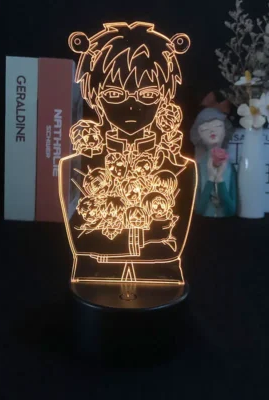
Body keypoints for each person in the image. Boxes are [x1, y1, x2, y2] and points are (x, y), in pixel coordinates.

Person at [58, 21, 197, 284]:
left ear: (164, 98)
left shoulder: (181, 166)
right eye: (114, 94)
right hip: (93, 277)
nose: (131, 106)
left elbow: (172, 247)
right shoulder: (75, 164)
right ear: (95, 98)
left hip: (163, 277)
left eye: (147, 95)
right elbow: (81, 240)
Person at [190, 106, 237, 217]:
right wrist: (211, 179)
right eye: (205, 129)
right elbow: (198, 209)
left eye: (218, 126)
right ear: (198, 135)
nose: (212, 130)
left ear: (225, 130)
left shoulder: (230, 167)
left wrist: (219, 179)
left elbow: (231, 210)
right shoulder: (198, 168)